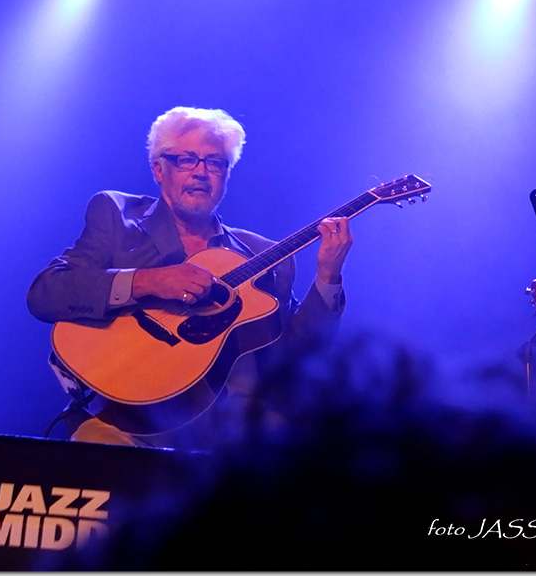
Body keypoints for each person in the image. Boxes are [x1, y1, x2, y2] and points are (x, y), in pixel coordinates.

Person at [27, 106, 353, 449]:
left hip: (231, 431)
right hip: (121, 422)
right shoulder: (117, 217)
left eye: (214, 163)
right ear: (158, 169)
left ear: (226, 176)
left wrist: (328, 276)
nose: (201, 173)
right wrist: (148, 281)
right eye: (186, 160)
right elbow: (46, 293)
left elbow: (297, 354)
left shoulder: (263, 254)